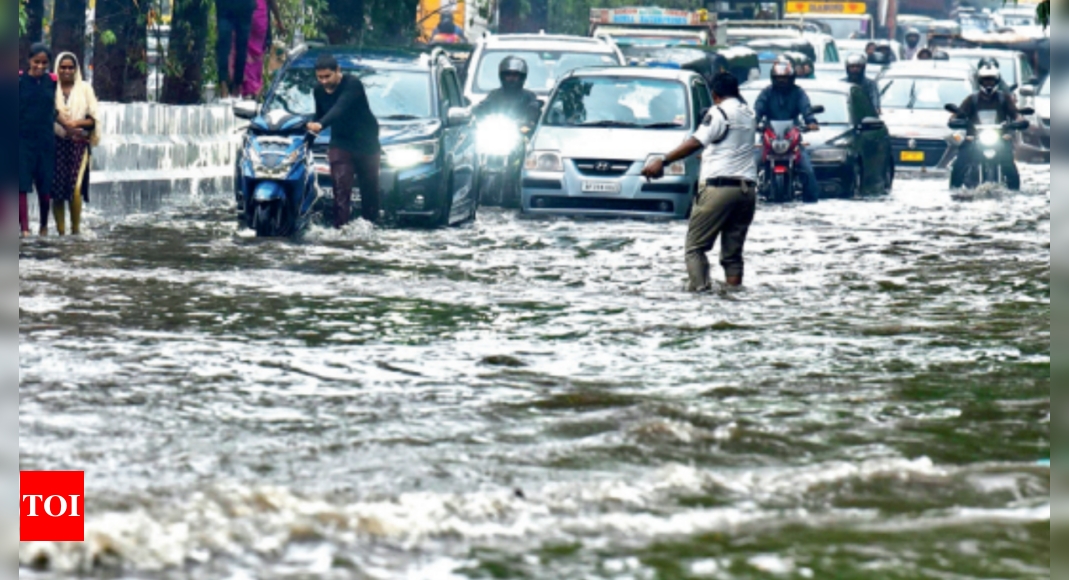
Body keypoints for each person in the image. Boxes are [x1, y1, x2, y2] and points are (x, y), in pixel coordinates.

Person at [641, 73, 757, 291]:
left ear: (714, 94)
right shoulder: (749, 113)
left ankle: (700, 296)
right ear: (737, 91)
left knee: (695, 248)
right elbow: (731, 144)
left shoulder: (719, 111)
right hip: (746, 191)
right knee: (732, 256)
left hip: (719, 190)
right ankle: (734, 299)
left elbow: (696, 141)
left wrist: (663, 161)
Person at [307, 54, 382, 227]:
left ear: (338, 71)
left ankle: (372, 227)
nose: (324, 81)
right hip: (341, 142)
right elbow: (319, 114)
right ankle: (340, 230)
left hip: (366, 143)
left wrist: (320, 124)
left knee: (369, 192)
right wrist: (308, 138)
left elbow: (339, 108)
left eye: (327, 76)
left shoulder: (352, 84)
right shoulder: (318, 90)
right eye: (320, 77)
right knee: (340, 189)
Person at [754, 60, 820, 203]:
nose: (782, 81)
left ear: (791, 78)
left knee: (808, 170)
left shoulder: (798, 92)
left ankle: (811, 201)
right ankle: (746, 198)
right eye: (779, 78)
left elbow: (806, 108)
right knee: (750, 167)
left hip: (792, 138)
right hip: (769, 137)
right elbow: (758, 108)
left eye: (785, 78)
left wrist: (811, 122)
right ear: (773, 78)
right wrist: (754, 122)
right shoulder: (766, 92)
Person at [949, 64, 1022, 190]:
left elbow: (1015, 113)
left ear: (997, 81)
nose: (988, 83)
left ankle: (1014, 191)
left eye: (991, 80)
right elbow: (957, 115)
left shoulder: (1004, 98)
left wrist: (1019, 121)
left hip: (1000, 138)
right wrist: (955, 120)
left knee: (1009, 163)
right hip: (974, 138)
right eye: (985, 80)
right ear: (980, 81)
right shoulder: (972, 99)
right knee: (960, 161)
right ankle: (954, 189)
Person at [51, 52, 99, 236]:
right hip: (56, 144)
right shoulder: (51, 88)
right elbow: (46, 113)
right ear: (57, 68)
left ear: (76, 69)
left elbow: (93, 119)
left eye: (71, 67)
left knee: (75, 188)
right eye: (63, 67)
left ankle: (76, 230)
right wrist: (64, 126)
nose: (67, 70)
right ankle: (61, 233)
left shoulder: (85, 89)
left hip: (79, 144)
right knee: (57, 189)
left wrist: (75, 124)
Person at [19, 43, 58, 237]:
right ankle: (25, 230)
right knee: (21, 184)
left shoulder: (52, 82)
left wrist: (71, 126)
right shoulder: (18, 81)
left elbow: (55, 111)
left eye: (44, 63)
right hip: (22, 140)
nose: (40, 66)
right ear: (29, 60)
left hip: (45, 140)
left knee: (45, 185)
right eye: (37, 62)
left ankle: (43, 227)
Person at [473, 56, 542, 132]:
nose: (511, 78)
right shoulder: (494, 95)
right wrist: (475, 110)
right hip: (497, 132)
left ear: (522, 77)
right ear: (502, 76)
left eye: (515, 75)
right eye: (508, 75)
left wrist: (533, 111)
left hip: (520, 132)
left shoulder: (528, 96)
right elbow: (482, 107)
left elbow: (534, 114)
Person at [237, 0, 285, 98]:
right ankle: (252, 89)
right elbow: (272, 3)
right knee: (255, 54)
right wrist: (279, 22)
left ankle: (246, 89)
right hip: (258, 17)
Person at [216, 0, 256, 100]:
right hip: (227, 7)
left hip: (243, 7)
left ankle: (236, 87)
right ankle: (224, 86)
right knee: (224, 45)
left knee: (240, 47)